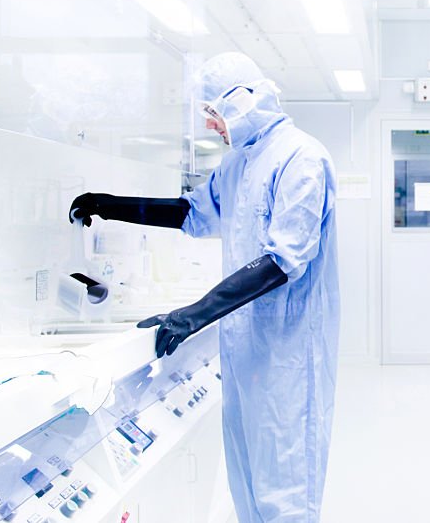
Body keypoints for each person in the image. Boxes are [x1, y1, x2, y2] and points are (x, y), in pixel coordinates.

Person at [69, 52, 339, 522]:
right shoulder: (238, 164)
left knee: (286, 494)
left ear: (240, 103)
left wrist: (191, 315)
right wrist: (110, 204)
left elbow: (282, 261)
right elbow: (191, 212)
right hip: (245, 348)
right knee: (248, 487)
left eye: (213, 114)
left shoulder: (302, 158)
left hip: (289, 353)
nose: (212, 127)